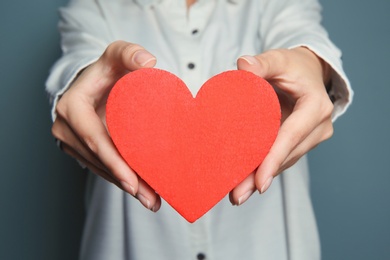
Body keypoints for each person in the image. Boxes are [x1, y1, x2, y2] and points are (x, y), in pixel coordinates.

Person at [46, 0, 352, 259]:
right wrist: (83, 85)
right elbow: (81, 57)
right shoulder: (96, 6)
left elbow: (304, 35)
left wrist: (313, 65)